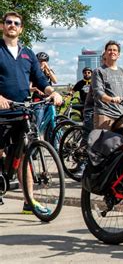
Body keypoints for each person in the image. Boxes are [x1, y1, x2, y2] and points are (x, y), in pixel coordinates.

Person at [0, 11, 63, 215]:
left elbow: (40, 80)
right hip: (2, 113)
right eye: (8, 22)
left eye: (16, 23)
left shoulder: (28, 54)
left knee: (25, 155)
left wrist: (52, 92)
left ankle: (29, 201)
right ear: (2, 26)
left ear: (21, 28)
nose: (12, 25)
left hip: (23, 110)